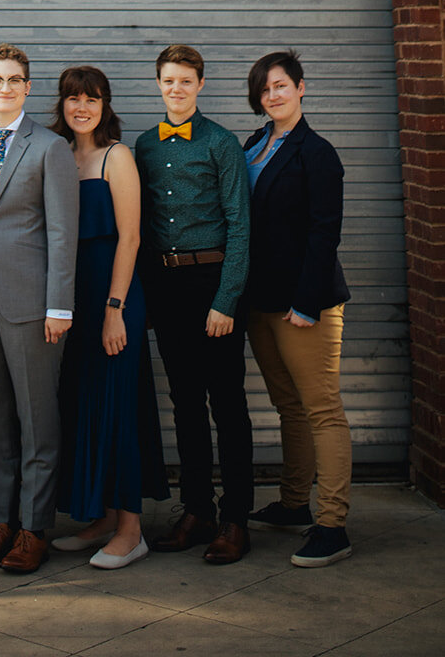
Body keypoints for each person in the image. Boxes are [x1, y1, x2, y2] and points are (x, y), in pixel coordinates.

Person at [0, 42, 79, 575]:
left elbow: (63, 234)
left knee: (37, 419)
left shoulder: (50, 148)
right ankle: (2, 521)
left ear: (28, 88)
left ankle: (34, 528)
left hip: (32, 303)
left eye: (14, 80)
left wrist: (60, 306)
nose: (4, 88)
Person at [135, 43, 253, 565]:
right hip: (167, 285)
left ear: (200, 85)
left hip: (213, 281)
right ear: (158, 85)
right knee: (184, 403)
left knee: (227, 404)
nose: (176, 89)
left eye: (186, 81)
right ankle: (197, 509)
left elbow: (241, 226)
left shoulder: (221, 143)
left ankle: (236, 518)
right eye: (168, 81)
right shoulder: (142, 144)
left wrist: (226, 299)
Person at [51, 65, 168, 569]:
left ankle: (131, 530)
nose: (82, 107)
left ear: (105, 105)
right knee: (82, 404)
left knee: (119, 407)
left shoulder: (116, 157)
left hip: (112, 295)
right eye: (74, 99)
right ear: (61, 104)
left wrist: (115, 309)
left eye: (92, 99)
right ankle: (99, 518)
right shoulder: (57, 155)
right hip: (70, 297)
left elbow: (132, 237)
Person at [243, 50, 353, 568]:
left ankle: (332, 524)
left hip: (304, 304)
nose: (273, 96)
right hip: (260, 301)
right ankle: (293, 504)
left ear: (301, 89)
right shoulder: (255, 143)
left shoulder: (318, 152)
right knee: (289, 407)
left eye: (282, 86)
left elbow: (324, 232)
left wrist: (307, 303)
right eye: (265, 89)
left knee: (322, 409)